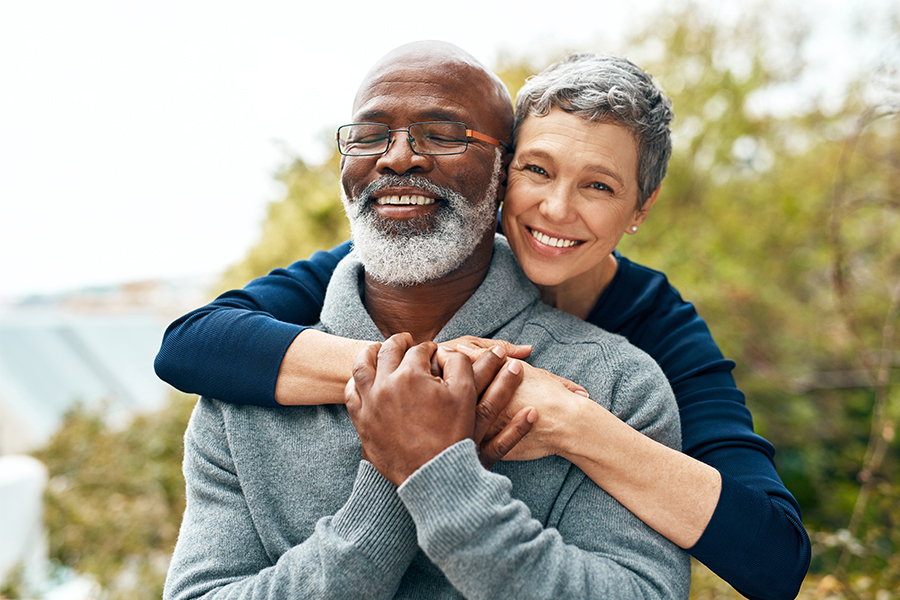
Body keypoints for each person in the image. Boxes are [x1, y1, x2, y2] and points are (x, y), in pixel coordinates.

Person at [157, 52, 811, 599]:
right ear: (508, 179)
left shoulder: (643, 357)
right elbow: (191, 342)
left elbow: (771, 558)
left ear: (641, 208)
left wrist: (571, 428)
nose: (555, 208)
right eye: (539, 170)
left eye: (599, 187)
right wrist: (413, 389)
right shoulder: (260, 370)